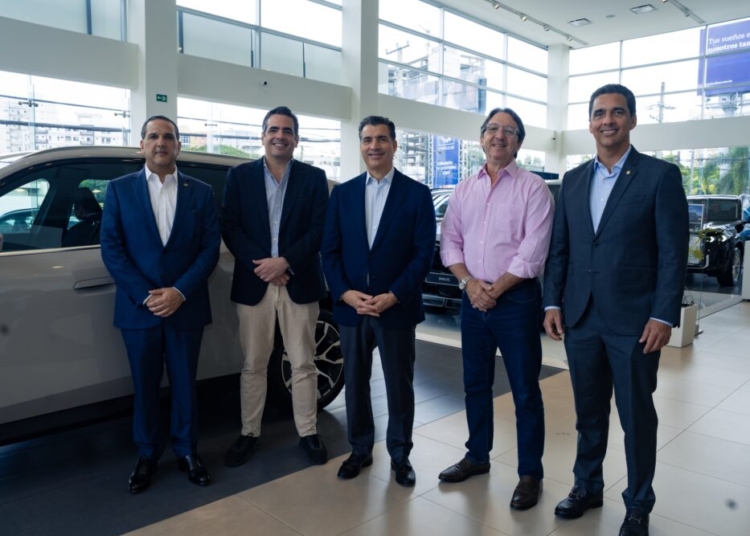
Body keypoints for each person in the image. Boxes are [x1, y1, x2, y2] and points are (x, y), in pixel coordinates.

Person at [543, 84, 689, 536]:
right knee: (588, 414)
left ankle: (638, 504)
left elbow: (673, 252)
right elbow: (560, 248)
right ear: (589, 123)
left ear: (632, 119)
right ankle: (587, 487)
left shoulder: (660, 176)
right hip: (581, 318)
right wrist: (552, 300)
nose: (608, 120)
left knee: (636, 418)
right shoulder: (573, 180)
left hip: (635, 322)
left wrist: (663, 314)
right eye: (600, 113)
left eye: (618, 112)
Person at [437, 108, 554, 511]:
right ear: (481, 138)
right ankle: (477, 456)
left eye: (509, 131)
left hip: (516, 301)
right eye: (492, 129)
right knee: (475, 384)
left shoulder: (534, 189)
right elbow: (450, 242)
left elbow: (533, 252)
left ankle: (530, 474)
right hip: (473, 300)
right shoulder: (463, 189)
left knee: (525, 390)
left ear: (519, 142)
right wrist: (470, 285)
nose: (499, 136)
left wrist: (494, 290)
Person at [100, 115, 220, 494]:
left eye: (168, 136)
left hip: (186, 306)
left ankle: (187, 452)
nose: (161, 142)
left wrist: (179, 292)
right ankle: (147, 454)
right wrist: (147, 295)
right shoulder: (119, 190)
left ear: (179, 145)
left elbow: (209, 249)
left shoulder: (201, 192)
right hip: (140, 309)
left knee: (185, 384)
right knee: (145, 386)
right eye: (153, 136)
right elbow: (112, 249)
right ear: (142, 145)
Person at [321, 115, 435, 487]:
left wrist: (394, 295)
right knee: (355, 383)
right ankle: (360, 450)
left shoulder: (417, 194)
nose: (374, 146)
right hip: (352, 308)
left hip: (396, 308)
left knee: (399, 385)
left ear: (394, 145)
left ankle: (400, 455)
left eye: (382, 139)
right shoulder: (343, 194)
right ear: (360, 145)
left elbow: (422, 255)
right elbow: (329, 251)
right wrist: (344, 292)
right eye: (367, 139)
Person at [221, 106, 330, 467]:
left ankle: (308, 432)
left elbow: (319, 229)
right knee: (253, 363)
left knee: (303, 363)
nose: (279, 136)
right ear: (262, 135)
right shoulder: (239, 177)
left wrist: (286, 262)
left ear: (296, 139)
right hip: (255, 283)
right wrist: (266, 266)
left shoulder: (314, 178)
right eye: (273, 130)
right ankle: (249, 433)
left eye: (286, 131)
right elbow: (230, 227)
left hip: (299, 281)